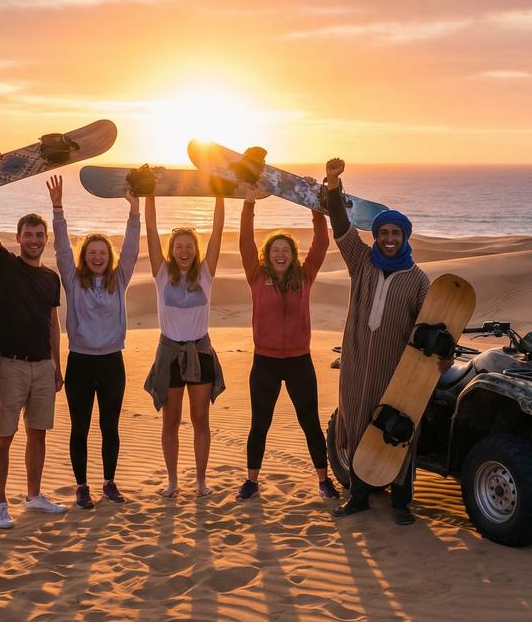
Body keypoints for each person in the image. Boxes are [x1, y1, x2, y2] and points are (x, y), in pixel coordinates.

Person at [324, 158, 431, 526]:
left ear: (404, 238)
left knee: (398, 432)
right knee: (354, 425)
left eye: (395, 234)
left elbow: (430, 329)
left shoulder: (418, 280)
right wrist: (334, 185)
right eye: (382, 233)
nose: (387, 240)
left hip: (395, 371)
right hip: (356, 363)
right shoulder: (361, 262)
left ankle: (402, 501)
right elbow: (341, 227)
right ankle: (358, 495)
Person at [0, 167, 67, 530]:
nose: (34, 239)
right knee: (3, 437)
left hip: (43, 367)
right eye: (28, 234)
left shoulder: (50, 277)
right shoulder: (4, 266)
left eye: (39, 235)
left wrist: (57, 364)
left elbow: (53, 323)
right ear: (18, 238)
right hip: (9, 366)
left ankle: (34, 495)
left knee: (38, 433)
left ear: (45, 239)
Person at [236, 188, 340, 501]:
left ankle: (324, 481)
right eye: (275, 250)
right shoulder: (256, 276)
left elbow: (321, 244)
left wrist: (317, 210)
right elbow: (244, 242)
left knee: (310, 423)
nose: (280, 254)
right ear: (267, 255)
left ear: (293, 255)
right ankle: (252, 482)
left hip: (299, 362)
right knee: (260, 424)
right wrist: (249, 203)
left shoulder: (305, 276)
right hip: (264, 362)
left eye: (286, 250)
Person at [47, 173, 140, 508]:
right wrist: (58, 210)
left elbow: (131, 250)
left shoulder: (120, 279)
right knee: (80, 428)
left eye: (103, 252)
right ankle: (82, 486)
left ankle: (109, 482)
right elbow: (60, 250)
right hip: (81, 363)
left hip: (112, 362)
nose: (98, 257)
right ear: (84, 255)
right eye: (92, 252)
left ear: (108, 256)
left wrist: (134, 213)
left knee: (110, 427)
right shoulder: (73, 280)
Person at [143, 191, 226, 498]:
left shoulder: (206, 272)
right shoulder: (161, 273)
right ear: (172, 250)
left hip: (200, 352)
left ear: (195, 249)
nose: (184, 250)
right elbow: (150, 231)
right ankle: (173, 481)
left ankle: (201, 481)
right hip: (169, 354)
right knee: (171, 421)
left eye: (189, 246)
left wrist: (220, 196)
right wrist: (149, 196)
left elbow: (217, 232)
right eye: (179, 246)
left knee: (200, 419)